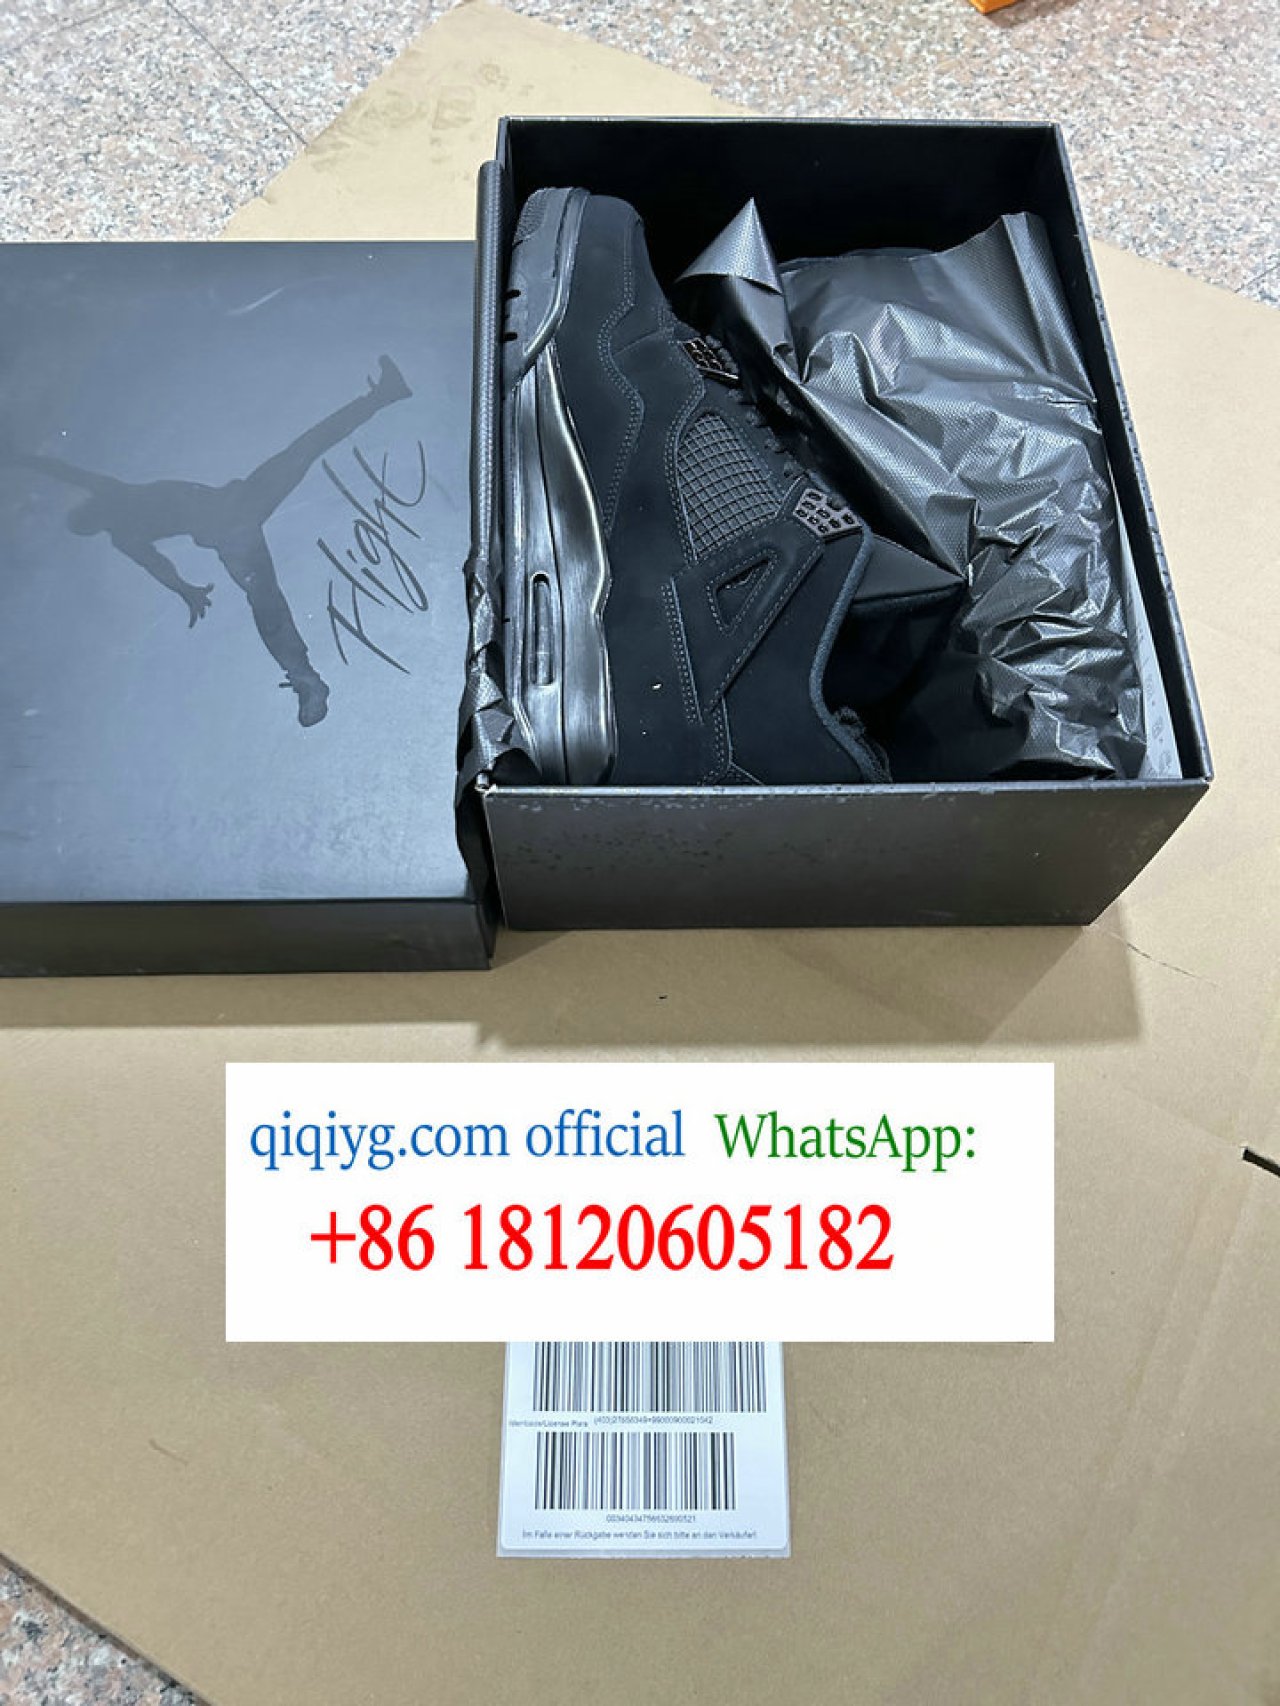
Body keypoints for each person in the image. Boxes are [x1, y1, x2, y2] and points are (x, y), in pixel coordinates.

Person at [13, 355, 411, 727]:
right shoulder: (118, 515)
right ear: (93, 515)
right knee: (268, 590)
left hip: (237, 504)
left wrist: (185, 589)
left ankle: (384, 394)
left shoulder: (117, 514)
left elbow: (66, 474)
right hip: (231, 524)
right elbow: (154, 562)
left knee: (300, 455)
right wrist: (183, 589)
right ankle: (304, 677)